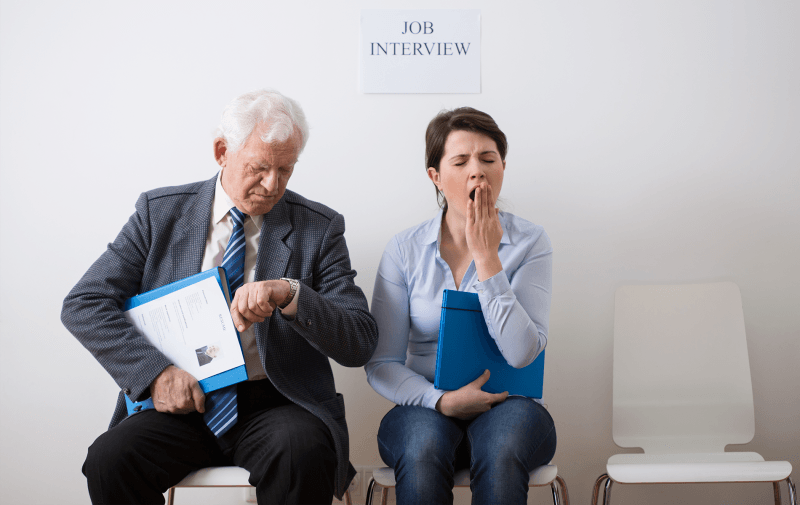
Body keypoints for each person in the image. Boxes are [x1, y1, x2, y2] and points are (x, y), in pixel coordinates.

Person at [62, 89, 378, 504]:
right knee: (110, 459)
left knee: (302, 452)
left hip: (278, 402)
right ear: (221, 151)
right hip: (181, 401)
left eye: (286, 169)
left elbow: (359, 340)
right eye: (259, 167)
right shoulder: (159, 214)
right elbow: (84, 303)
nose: (272, 185)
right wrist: (155, 373)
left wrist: (291, 293)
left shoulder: (318, 228)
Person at [365, 107, 556, 504]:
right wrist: (442, 401)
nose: (477, 171)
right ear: (435, 176)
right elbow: (382, 364)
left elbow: (522, 353)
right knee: (421, 448)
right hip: (425, 404)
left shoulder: (531, 242)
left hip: (511, 407)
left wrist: (487, 259)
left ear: (503, 166)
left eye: (488, 159)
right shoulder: (404, 250)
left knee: (502, 449)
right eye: (460, 161)